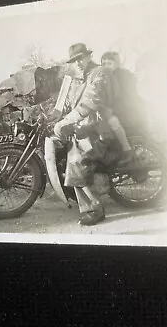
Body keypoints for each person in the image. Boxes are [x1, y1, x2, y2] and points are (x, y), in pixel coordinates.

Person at [49, 43, 121, 226]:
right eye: (74, 61)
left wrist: (66, 121)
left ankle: (95, 208)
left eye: (80, 58)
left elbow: (91, 102)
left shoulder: (100, 73)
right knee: (69, 152)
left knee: (77, 162)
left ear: (88, 56)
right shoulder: (79, 78)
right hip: (87, 126)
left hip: (101, 128)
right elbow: (70, 104)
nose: (78, 63)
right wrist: (52, 114)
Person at [101, 51, 147, 138]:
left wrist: (111, 111)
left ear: (117, 64)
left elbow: (127, 98)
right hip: (115, 111)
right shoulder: (105, 76)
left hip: (129, 113)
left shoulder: (124, 77)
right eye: (104, 64)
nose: (106, 66)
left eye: (109, 63)